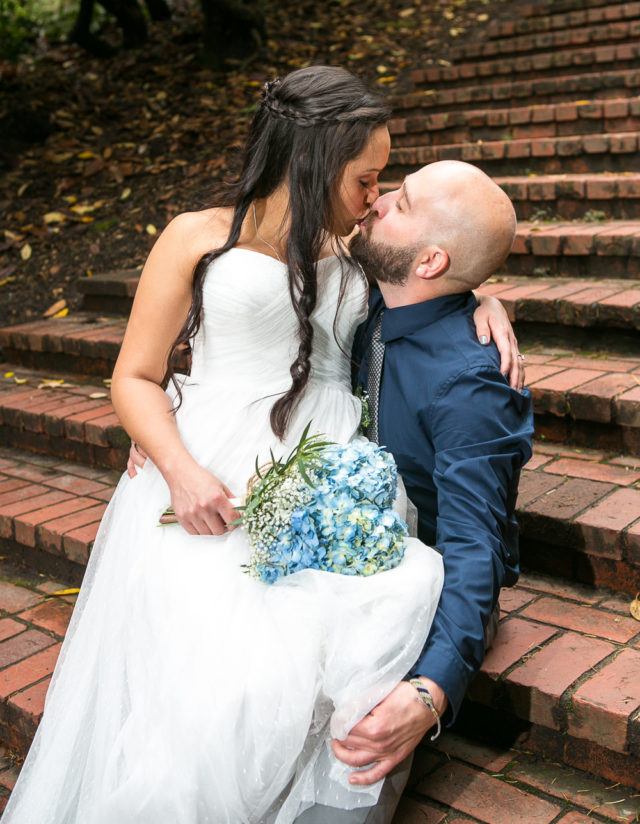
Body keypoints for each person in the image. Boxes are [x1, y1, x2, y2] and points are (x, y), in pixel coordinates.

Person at [3, 67, 519, 824]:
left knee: (301, 663)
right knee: (204, 689)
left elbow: (429, 267)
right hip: (206, 464)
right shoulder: (195, 235)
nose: (376, 196)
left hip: (325, 461)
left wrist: (483, 296)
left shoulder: (353, 241)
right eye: (367, 177)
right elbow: (134, 376)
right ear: (314, 160)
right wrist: (178, 466)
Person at [330, 160, 533, 794]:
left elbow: (476, 549)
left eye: (401, 202)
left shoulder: (469, 385)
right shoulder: (373, 298)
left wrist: (431, 688)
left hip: (414, 580)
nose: (377, 202)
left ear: (430, 262)